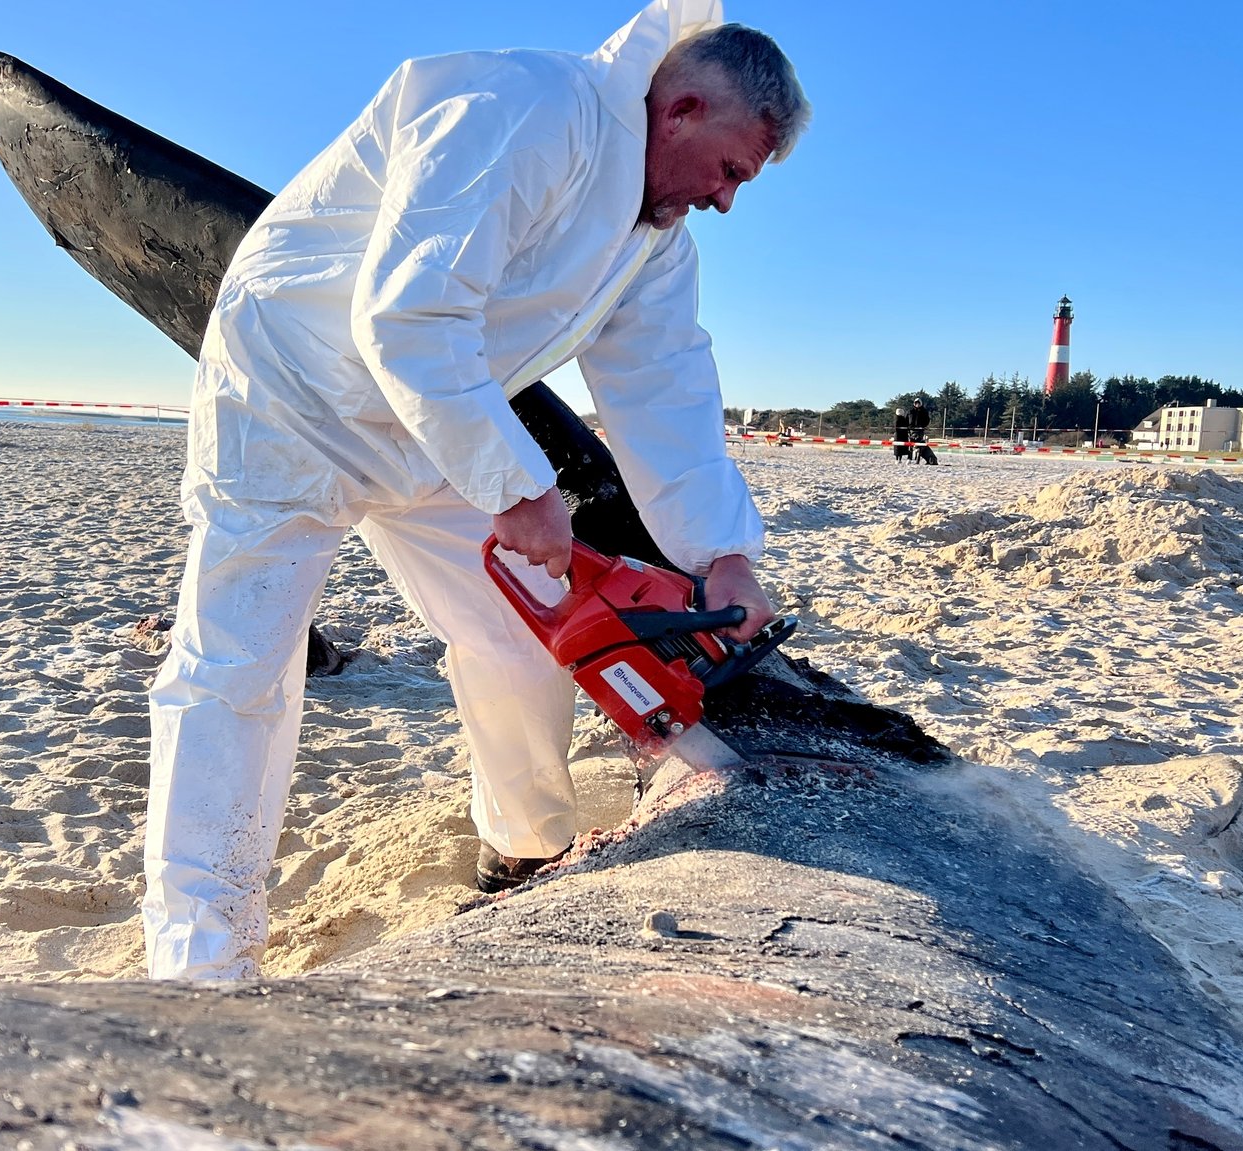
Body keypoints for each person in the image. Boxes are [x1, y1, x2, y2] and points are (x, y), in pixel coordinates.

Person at [141, 0, 806, 979]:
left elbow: (666, 389)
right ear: (683, 108)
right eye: (730, 170)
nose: (724, 199)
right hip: (290, 391)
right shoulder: (526, 106)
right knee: (239, 668)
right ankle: (200, 958)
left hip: (435, 421)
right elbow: (408, 308)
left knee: (517, 633)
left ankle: (521, 850)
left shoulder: (654, 244)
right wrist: (512, 480)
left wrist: (723, 555)